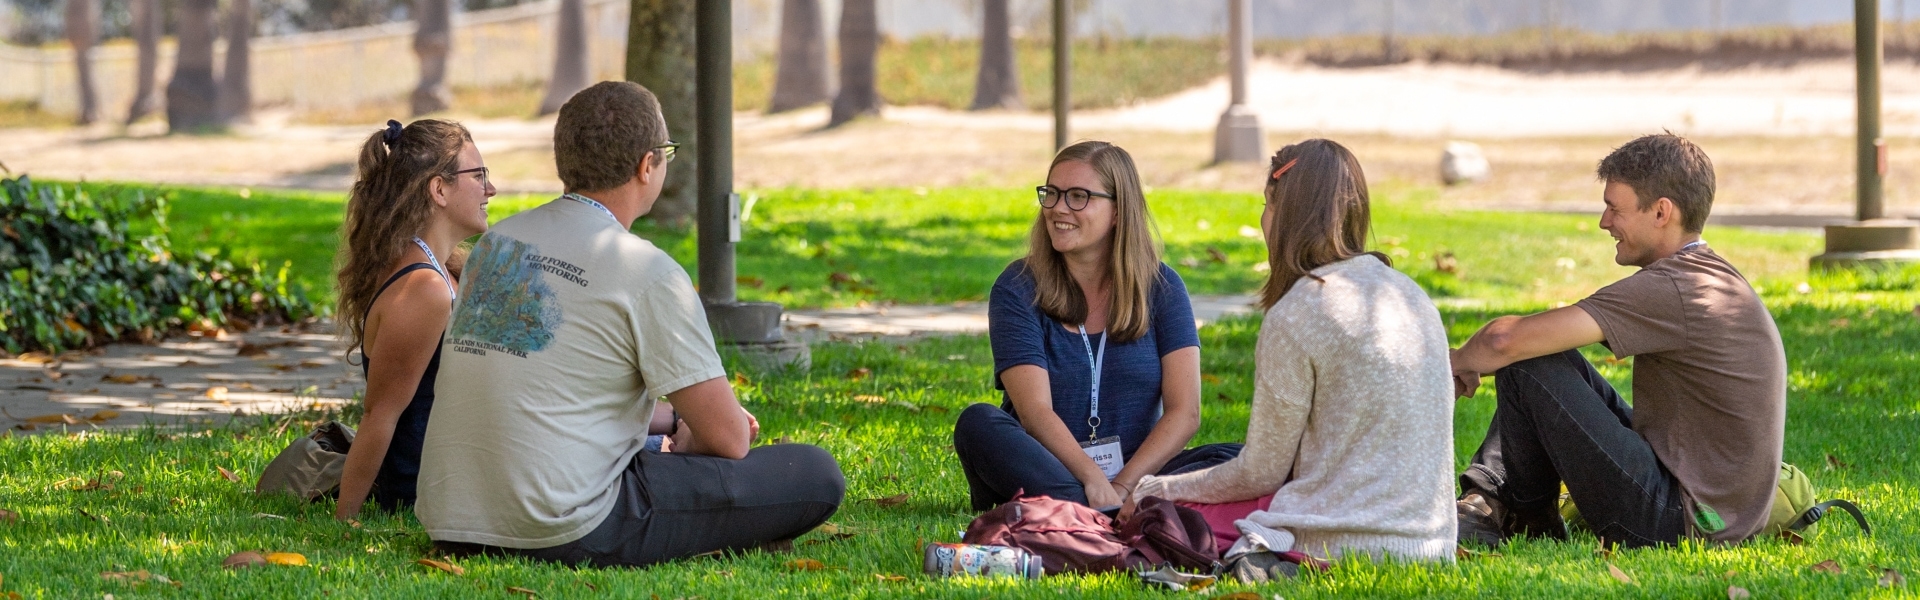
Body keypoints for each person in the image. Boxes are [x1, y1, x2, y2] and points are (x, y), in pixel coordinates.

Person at [416, 81, 845, 568]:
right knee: (813, 473)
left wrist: (682, 423)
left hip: (452, 520)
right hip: (565, 527)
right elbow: (728, 439)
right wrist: (690, 440)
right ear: (647, 165)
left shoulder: (498, 243)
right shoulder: (646, 270)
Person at [1449, 133, 1786, 549]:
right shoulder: (1704, 276)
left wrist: (1453, 362)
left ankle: (1519, 517)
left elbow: (1504, 340)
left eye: (1614, 208)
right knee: (1544, 351)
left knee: (1527, 359)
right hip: (1704, 506)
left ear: (1662, 212)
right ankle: (1490, 503)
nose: (1604, 222)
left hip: (1683, 521)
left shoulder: (1676, 288)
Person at [1128, 139, 1457, 562]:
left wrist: (1158, 488)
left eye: (1267, 205)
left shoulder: (1299, 311)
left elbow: (1261, 472)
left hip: (1339, 545)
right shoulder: (1411, 295)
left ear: (1286, 214)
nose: (1264, 220)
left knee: (1164, 513)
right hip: (1432, 544)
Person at [952, 140, 1242, 513]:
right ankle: (1112, 512)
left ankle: (1099, 511)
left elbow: (1184, 413)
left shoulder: (1162, 288)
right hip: (1048, 467)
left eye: (1077, 196)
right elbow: (1035, 412)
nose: (1058, 208)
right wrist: (1092, 479)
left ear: (1119, 211)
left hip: (1136, 471)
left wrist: (1123, 485)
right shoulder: (1018, 287)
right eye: (1052, 194)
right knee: (978, 423)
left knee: (1235, 457)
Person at [332, 118, 494, 520]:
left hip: (456, 471)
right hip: (427, 490)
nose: (491, 189)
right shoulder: (424, 288)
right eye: (479, 176)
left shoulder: (439, 271)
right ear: (439, 189)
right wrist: (346, 518)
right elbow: (379, 414)